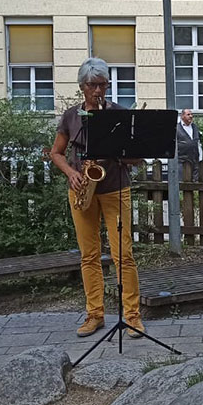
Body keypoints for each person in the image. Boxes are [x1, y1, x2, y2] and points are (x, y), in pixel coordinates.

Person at [49, 57, 144, 339]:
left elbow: (137, 157)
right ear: (82, 87)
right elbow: (56, 152)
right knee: (89, 255)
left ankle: (132, 316)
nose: (98, 90)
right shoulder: (70, 116)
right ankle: (95, 314)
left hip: (115, 186)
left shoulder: (119, 113)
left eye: (102, 84)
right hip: (81, 189)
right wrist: (70, 172)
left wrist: (122, 154)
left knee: (123, 255)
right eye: (92, 85)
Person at [176, 108, 203, 182]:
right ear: (182, 116)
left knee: (195, 182)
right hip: (182, 160)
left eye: (191, 114)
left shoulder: (195, 127)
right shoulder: (177, 128)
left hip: (194, 159)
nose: (191, 116)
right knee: (182, 181)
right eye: (188, 114)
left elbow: (197, 142)